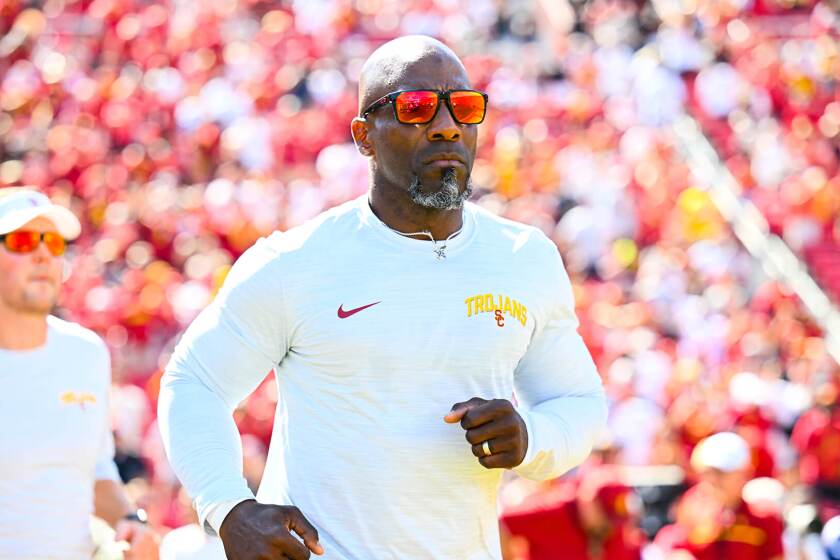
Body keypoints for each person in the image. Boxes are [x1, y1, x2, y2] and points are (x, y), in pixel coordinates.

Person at [158, 35, 608, 560]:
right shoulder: (296, 262)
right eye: (415, 108)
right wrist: (228, 508)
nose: (446, 125)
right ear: (364, 136)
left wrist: (532, 438)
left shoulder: (524, 257)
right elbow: (194, 382)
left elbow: (577, 403)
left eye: (463, 107)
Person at [0, 187, 158, 559]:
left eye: (53, 243)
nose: (42, 253)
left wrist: (131, 521)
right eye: (23, 241)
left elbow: (96, 470)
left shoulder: (86, 353)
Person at [653, 432, 784, 560]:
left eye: (721, 473)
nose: (713, 480)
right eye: (708, 473)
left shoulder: (763, 519)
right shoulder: (693, 509)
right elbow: (674, 545)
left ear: (744, 473)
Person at [500, 466, 645, 560]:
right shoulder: (554, 508)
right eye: (605, 515)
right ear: (589, 500)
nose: (608, 525)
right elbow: (499, 522)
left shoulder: (616, 531)